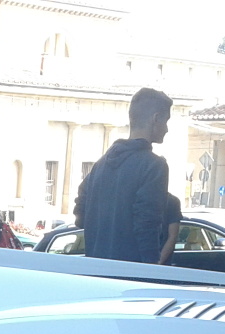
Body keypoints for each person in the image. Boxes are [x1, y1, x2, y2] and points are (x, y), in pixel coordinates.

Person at [73, 87, 173, 263]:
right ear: (156, 118)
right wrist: (152, 269)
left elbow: (80, 218)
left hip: (95, 271)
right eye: (166, 121)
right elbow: (147, 226)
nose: (167, 129)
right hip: (131, 275)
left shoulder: (100, 165)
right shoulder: (154, 166)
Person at [158, 192, 182, 264]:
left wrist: (158, 263)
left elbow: (172, 236)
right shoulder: (172, 201)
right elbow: (173, 236)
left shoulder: (171, 202)